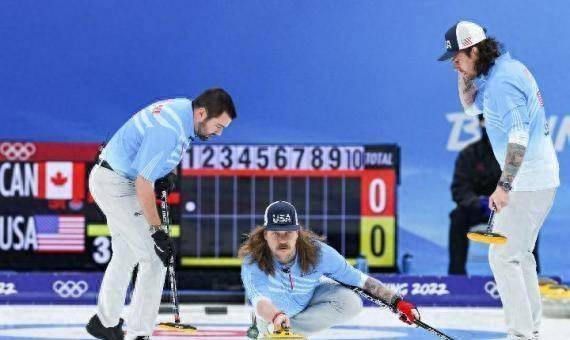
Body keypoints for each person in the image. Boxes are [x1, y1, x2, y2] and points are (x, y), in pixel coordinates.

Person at [439, 21, 559, 340]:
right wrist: (463, 75)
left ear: (475, 50)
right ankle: (530, 329)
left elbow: (519, 136)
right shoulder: (498, 73)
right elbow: (469, 109)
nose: (454, 61)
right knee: (520, 254)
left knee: (503, 256)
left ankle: (521, 335)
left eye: (458, 56)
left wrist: (504, 186)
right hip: (538, 178)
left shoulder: (503, 82)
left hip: (528, 182)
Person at [86, 88, 237, 340]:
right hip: (118, 184)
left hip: (114, 177)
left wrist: (168, 171)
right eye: (218, 126)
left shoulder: (183, 110)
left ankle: (105, 321)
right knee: (155, 258)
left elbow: (160, 150)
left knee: (126, 254)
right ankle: (138, 334)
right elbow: (144, 183)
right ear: (201, 113)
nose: (219, 133)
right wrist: (157, 232)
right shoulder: (169, 129)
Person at [239, 201, 420, 338]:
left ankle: (289, 333)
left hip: (305, 304)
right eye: (275, 234)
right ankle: (275, 333)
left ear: (297, 232)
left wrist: (396, 302)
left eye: (288, 232)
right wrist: (277, 316)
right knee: (267, 319)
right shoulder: (253, 262)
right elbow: (261, 302)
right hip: (271, 317)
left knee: (350, 301)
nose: (282, 239)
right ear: (265, 235)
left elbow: (360, 280)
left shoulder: (319, 253)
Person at [448, 115, 501, 274]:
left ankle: (532, 275)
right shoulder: (469, 154)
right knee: (457, 217)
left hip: (505, 209)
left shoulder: (511, 154)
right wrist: (477, 203)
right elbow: (459, 189)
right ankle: (456, 277)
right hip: (477, 210)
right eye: (485, 121)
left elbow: (522, 187)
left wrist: (499, 203)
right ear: (480, 123)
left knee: (526, 220)